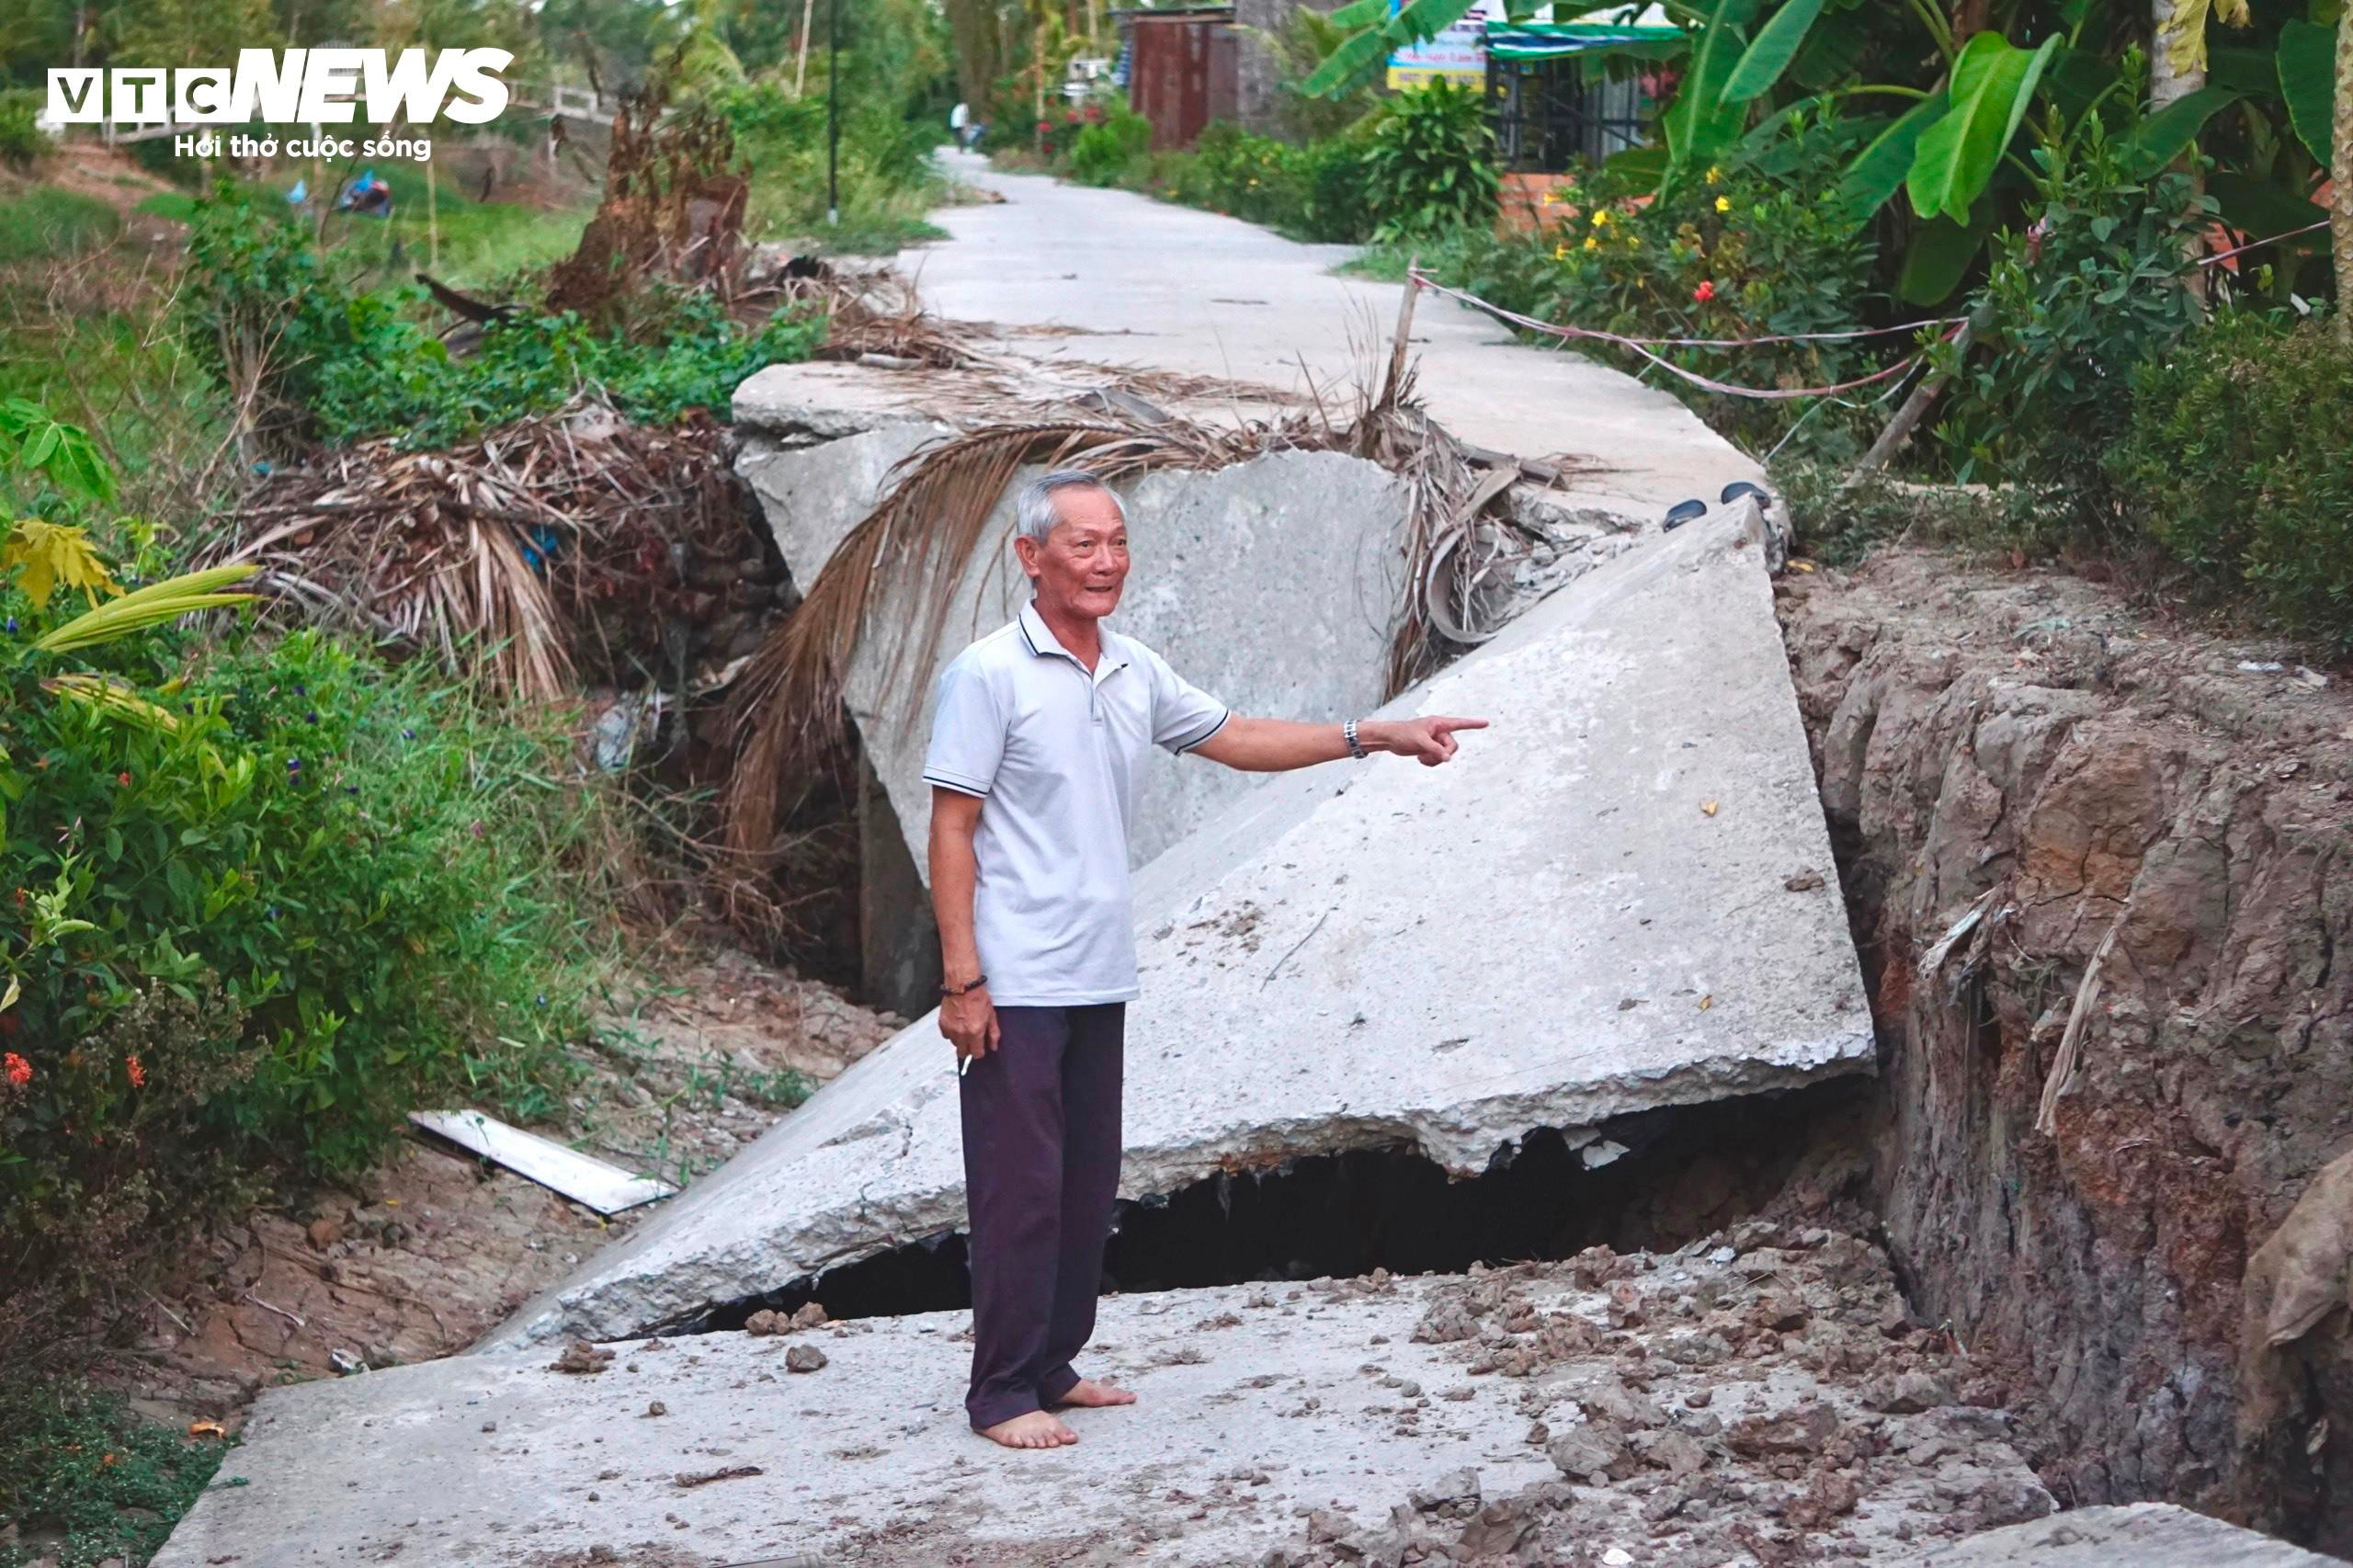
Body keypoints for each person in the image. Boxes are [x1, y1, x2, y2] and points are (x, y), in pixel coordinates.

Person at [923, 471, 1486, 1451]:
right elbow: (952, 826)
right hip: (1015, 976)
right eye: (1082, 544)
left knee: (1084, 1184)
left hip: (1099, 969)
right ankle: (1002, 1390)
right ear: (1031, 556)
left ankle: (1052, 1359)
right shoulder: (988, 674)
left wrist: (1373, 734)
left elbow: (1237, 737)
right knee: (1019, 1189)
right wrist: (961, 976)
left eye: (1117, 543)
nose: (1106, 562)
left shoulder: (1132, 668)